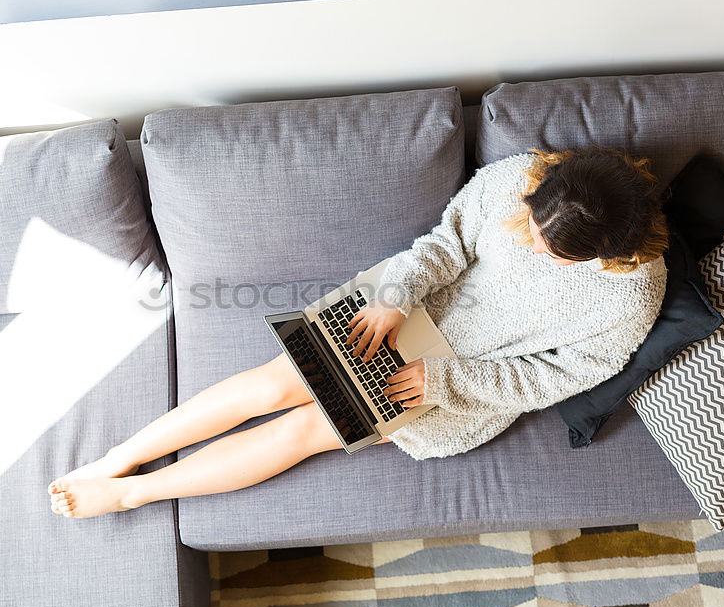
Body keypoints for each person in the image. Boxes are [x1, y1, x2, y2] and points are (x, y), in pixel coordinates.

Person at [48, 146, 669, 519]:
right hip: (406, 304)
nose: (530, 242)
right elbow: (446, 244)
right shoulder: (519, 178)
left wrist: (443, 381)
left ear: (608, 253)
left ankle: (135, 495)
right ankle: (117, 459)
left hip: (459, 381)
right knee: (273, 386)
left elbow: (556, 377)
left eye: (550, 251)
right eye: (532, 226)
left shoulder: (632, 293)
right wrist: (394, 296)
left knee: (303, 429)